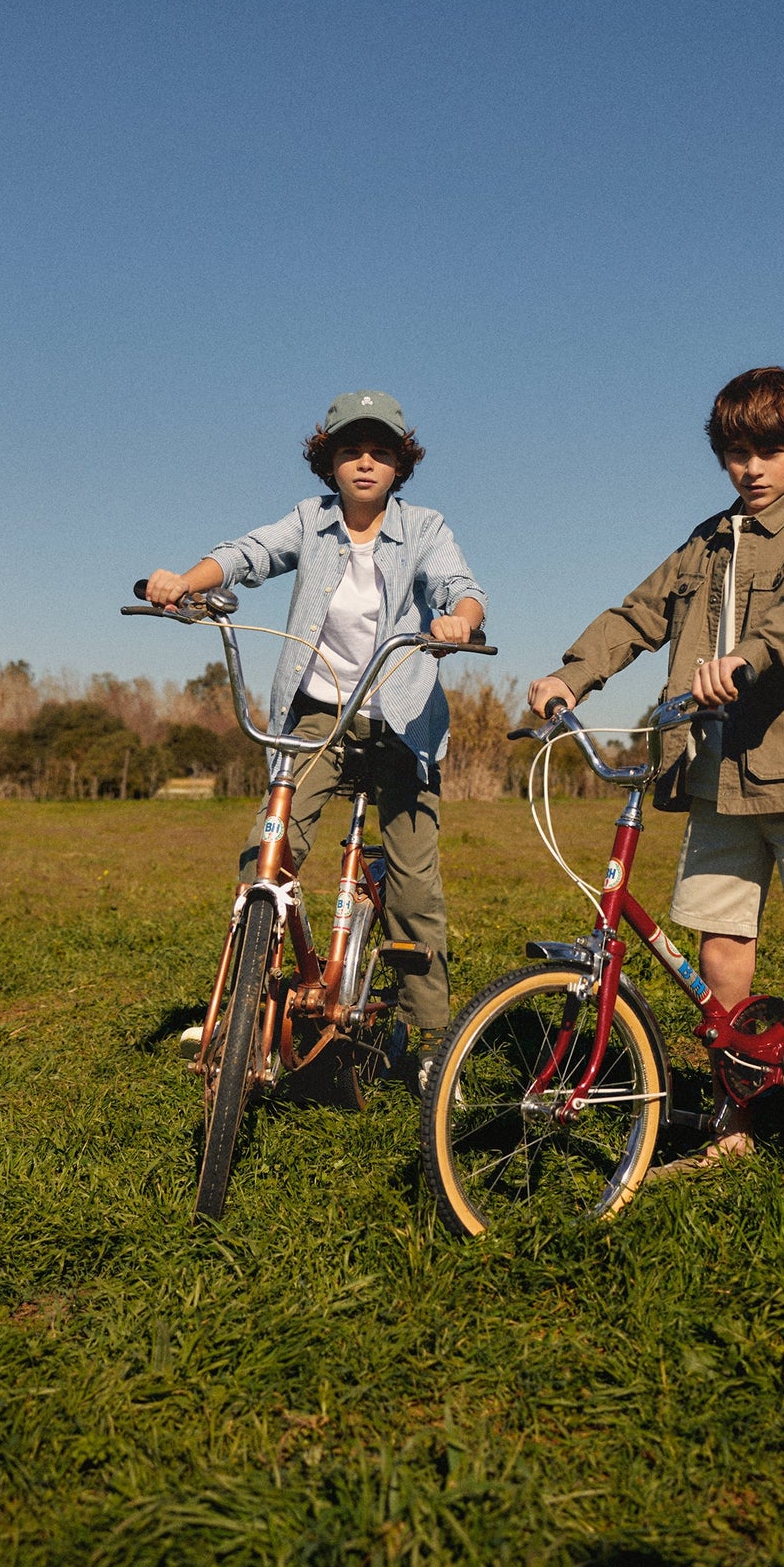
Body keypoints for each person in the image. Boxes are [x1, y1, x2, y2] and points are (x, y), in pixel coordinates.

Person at [526, 366, 784, 1208]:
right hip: (715, 773)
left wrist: (744, 659)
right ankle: (734, 1130)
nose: (752, 467)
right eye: (736, 451)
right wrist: (571, 676)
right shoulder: (708, 541)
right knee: (722, 954)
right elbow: (637, 614)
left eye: (770, 449)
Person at [145, 390, 488, 1080]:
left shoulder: (424, 526)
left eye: (381, 451)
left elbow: (456, 584)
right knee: (268, 853)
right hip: (319, 712)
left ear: (400, 464)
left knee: (415, 884)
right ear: (328, 461)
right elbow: (249, 554)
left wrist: (460, 620)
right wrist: (185, 580)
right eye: (351, 450)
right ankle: (245, 1006)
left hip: (402, 717)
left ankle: (429, 1043)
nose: (365, 463)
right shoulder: (311, 520)